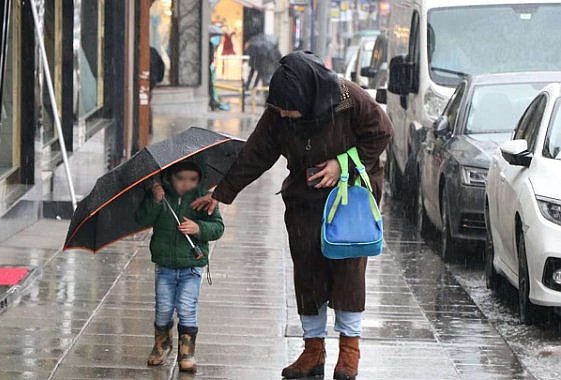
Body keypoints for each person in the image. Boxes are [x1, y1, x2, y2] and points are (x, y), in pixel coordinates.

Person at [192, 51, 393, 379]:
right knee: (307, 270)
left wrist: (340, 163)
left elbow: (382, 133)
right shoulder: (278, 113)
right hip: (305, 198)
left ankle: (349, 350)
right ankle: (312, 351)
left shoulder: (348, 98)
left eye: (289, 107)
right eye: (280, 108)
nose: (284, 113)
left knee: (348, 269)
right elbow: (256, 153)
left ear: (308, 94)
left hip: (350, 196)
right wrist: (222, 193)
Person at [136, 161, 225, 373]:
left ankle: (187, 352)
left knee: (187, 306)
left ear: (199, 179)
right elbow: (142, 219)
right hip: (165, 265)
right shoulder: (161, 196)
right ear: (170, 178)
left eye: (192, 179)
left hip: (191, 266)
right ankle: (162, 344)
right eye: (181, 179)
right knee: (163, 308)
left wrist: (198, 228)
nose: (186, 184)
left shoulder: (203, 199)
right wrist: (156, 201)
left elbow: (218, 227)